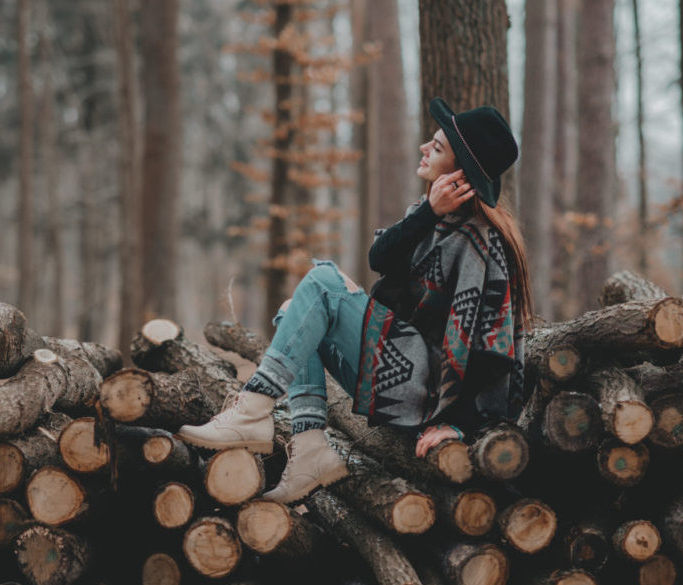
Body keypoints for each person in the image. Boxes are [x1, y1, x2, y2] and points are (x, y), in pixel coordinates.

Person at [177, 97, 532, 504]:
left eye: (436, 147)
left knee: (323, 282)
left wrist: (459, 424)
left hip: (425, 391)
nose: (423, 148)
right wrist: (428, 213)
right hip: (402, 374)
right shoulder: (430, 218)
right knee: (295, 311)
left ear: (459, 174)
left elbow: (492, 350)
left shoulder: (480, 244)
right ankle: (310, 448)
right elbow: (379, 260)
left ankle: (254, 406)